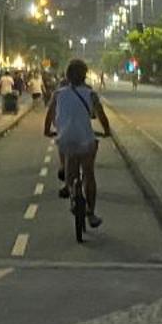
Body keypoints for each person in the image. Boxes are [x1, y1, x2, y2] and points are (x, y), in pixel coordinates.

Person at [45, 58, 111, 231]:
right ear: (85, 76)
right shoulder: (91, 94)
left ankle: (69, 187)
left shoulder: (58, 94)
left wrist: (47, 131)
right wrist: (107, 131)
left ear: (67, 76)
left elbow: (49, 115)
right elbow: (102, 116)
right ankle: (91, 213)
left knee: (68, 159)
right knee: (88, 173)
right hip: (86, 140)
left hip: (65, 139)